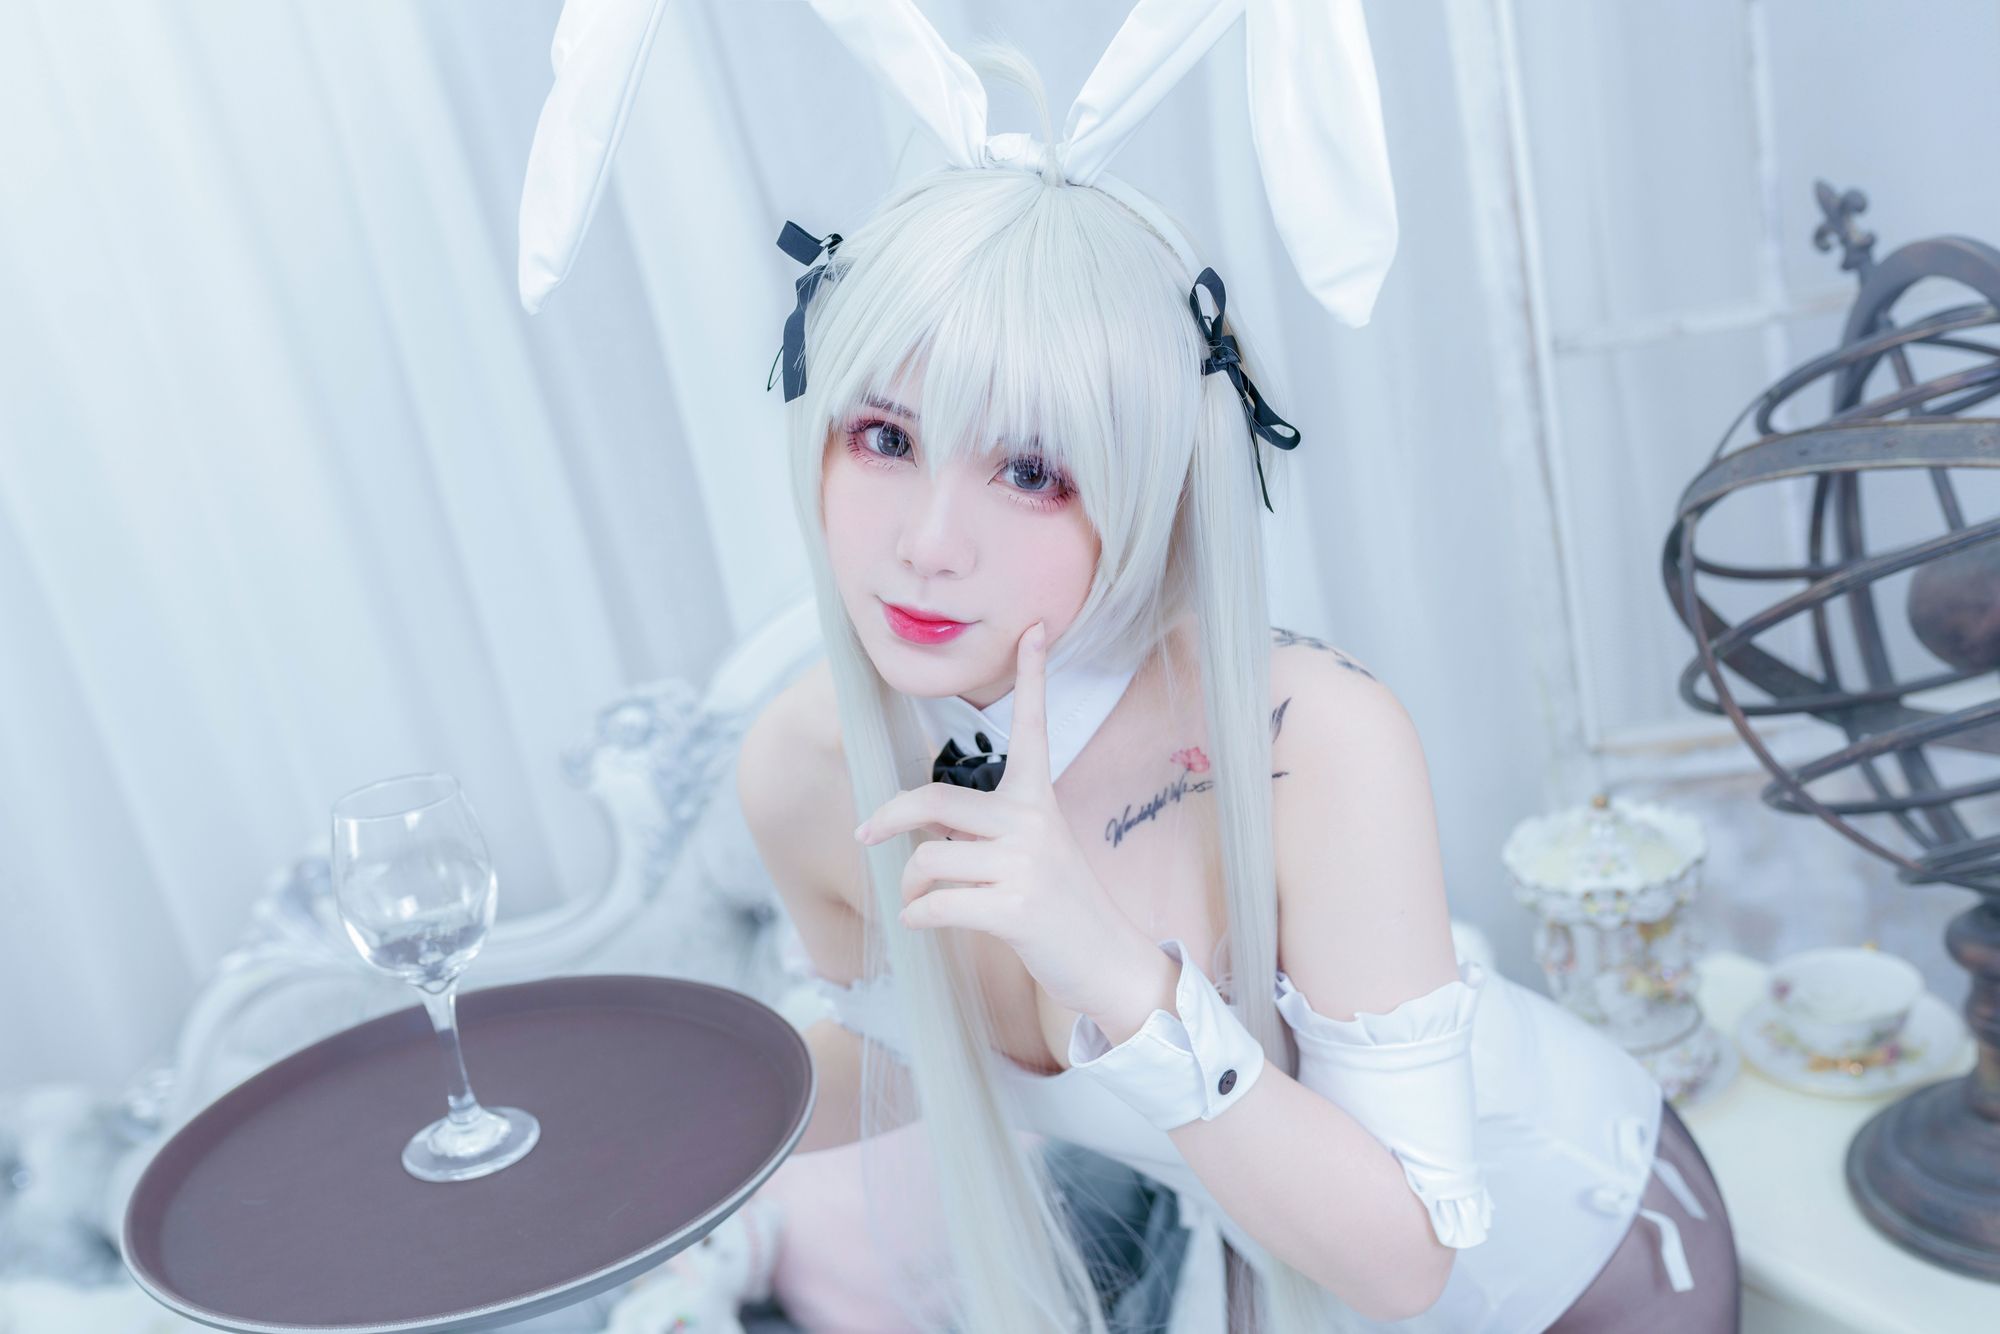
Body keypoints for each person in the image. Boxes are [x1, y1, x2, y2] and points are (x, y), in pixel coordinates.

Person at [518, 4, 1741, 1330]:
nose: (928, 544)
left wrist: (1105, 962)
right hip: (1273, 1278)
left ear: (1144, 486)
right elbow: (913, 1048)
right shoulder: (805, 764)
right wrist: (640, 1138)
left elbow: (1407, 1263)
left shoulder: (1308, 736)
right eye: (886, 438)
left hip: (1593, 1263)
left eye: (1029, 468)